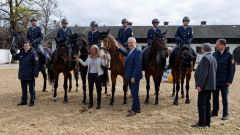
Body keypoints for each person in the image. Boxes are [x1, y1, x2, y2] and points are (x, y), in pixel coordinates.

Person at [114, 37, 142, 117]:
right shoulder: (130, 51)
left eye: (131, 42)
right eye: (128, 42)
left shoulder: (138, 52)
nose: (129, 44)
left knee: (134, 93)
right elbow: (125, 53)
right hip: (129, 76)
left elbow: (138, 66)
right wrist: (118, 47)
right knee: (133, 93)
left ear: (135, 43)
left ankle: (134, 110)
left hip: (134, 77)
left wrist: (133, 77)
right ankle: (137, 108)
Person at [193, 43, 217, 128]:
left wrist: (199, 85)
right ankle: (207, 122)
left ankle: (201, 123)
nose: (201, 50)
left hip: (204, 86)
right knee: (207, 103)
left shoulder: (205, 58)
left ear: (203, 49)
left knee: (201, 104)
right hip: (211, 85)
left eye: (202, 48)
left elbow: (203, 74)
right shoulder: (213, 58)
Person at [211, 39, 236, 120]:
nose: (216, 46)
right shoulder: (214, 54)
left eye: (217, 44)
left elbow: (232, 69)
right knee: (215, 97)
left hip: (225, 82)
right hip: (215, 81)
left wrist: (229, 81)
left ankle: (225, 114)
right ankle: (215, 111)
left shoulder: (229, 56)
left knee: (224, 98)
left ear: (222, 45)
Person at [77, 45, 108, 109]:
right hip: (90, 75)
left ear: (96, 50)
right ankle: (91, 103)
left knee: (98, 90)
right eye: (91, 49)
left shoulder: (100, 57)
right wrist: (79, 60)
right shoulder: (89, 57)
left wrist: (105, 59)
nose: (92, 50)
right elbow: (85, 64)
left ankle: (98, 104)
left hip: (98, 75)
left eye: (93, 49)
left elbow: (104, 64)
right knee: (90, 90)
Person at [13, 40, 39, 107]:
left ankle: (32, 101)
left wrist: (35, 74)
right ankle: (24, 101)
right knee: (24, 90)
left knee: (31, 90)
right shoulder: (21, 53)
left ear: (29, 46)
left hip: (30, 75)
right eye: (25, 46)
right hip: (22, 75)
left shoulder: (33, 53)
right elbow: (15, 57)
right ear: (23, 46)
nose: (26, 47)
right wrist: (12, 50)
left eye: (27, 46)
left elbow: (36, 65)